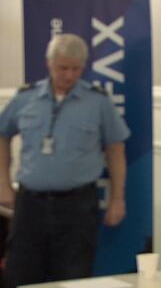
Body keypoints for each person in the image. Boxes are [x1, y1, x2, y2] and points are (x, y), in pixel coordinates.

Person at [0, 34, 129, 287]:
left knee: (74, 277)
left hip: (78, 207)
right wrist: (2, 184)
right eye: (63, 68)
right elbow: (2, 136)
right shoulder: (25, 98)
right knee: (19, 276)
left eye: (76, 69)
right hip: (29, 205)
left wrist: (117, 199)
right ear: (49, 63)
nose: (69, 75)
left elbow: (116, 150)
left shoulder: (98, 101)